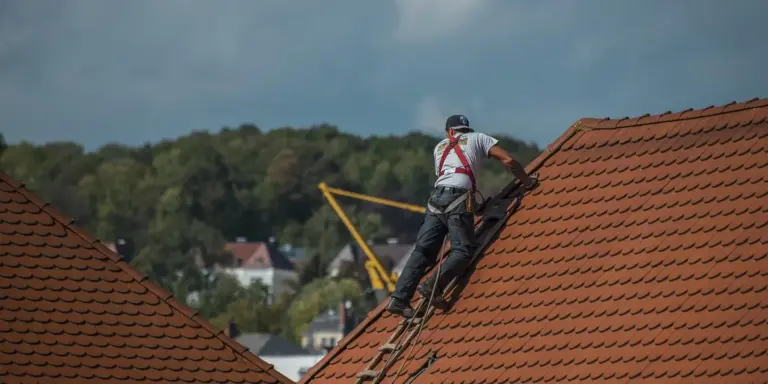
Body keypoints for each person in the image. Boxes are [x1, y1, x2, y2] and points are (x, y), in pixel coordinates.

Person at [386, 114, 537, 318]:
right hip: (458, 198)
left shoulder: (439, 148)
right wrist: (527, 182)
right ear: (465, 130)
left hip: (436, 200)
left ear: (449, 132)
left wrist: (474, 207)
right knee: (463, 250)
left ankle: (399, 298)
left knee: (422, 251)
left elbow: (451, 177)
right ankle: (432, 285)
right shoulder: (478, 138)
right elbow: (508, 160)